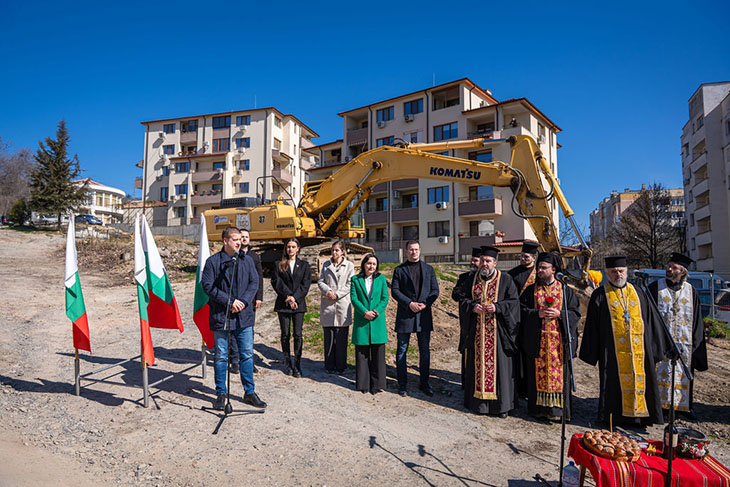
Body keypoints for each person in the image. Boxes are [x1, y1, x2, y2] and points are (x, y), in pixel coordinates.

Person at [579, 255, 667, 426]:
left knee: (643, 380)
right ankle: (614, 418)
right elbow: (592, 326)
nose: (617, 274)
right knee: (613, 384)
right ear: (607, 274)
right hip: (612, 351)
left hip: (639, 349)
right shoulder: (600, 294)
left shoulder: (638, 292)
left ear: (626, 272)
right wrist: (592, 351)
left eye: (621, 271)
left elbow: (650, 321)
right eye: (613, 272)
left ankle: (640, 417)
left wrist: (655, 347)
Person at [201, 227, 266, 410]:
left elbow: (254, 282)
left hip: (244, 315)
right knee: (221, 356)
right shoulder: (213, 262)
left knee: (246, 354)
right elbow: (207, 286)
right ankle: (221, 393)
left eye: (240, 239)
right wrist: (229, 301)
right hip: (222, 315)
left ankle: (249, 392)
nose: (239, 242)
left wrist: (243, 302)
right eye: (235, 239)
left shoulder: (247, 260)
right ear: (225, 241)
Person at [455, 245, 520, 416]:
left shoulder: (505, 279)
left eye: (488, 261)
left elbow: (514, 302)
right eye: (483, 260)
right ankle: (479, 405)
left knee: (500, 370)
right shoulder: (471, 279)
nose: (484, 264)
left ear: (495, 263)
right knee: (476, 367)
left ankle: (502, 407)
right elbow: (462, 299)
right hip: (477, 332)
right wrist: (472, 306)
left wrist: (498, 307)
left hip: (498, 333)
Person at [519, 252, 580, 421]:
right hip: (538, 343)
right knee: (536, 377)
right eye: (538, 267)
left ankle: (559, 412)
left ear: (553, 269)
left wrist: (560, 314)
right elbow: (520, 311)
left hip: (558, 344)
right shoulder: (531, 291)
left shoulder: (565, 290)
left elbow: (575, 313)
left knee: (561, 377)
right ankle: (539, 410)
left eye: (543, 268)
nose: (539, 270)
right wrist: (536, 314)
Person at [648, 252, 707, 419]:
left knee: (683, 374)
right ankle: (659, 407)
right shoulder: (655, 288)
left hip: (684, 344)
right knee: (660, 372)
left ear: (682, 272)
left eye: (674, 268)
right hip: (661, 343)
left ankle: (684, 407)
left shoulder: (691, 291)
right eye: (668, 266)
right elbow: (648, 317)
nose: (669, 269)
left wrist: (696, 343)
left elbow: (697, 320)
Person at [391, 241, 440, 397]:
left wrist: (425, 304)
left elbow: (435, 291)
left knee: (424, 351)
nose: (414, 252)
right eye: (411, 250)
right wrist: (409, 303)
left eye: (416, 249)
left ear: (420, 250)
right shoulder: (399, 270)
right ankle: (402, 384)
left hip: (423, 316)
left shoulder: (429, 269)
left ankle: (424, 383)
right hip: (406, 314)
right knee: (402, 350)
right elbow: (395, 291)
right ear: (406, 251)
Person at [271, 238, 312, 378]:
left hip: (298, 304)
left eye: (293, 247)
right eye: (288, 247)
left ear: (298, 248)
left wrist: (295, 298)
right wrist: (288, 296)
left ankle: (297, 364)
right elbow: (276, 281)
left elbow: (306, 284)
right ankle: (288, 364)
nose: (290, 249)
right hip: (283, 304)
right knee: (285, 334)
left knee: (298, 334)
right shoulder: (279, 264)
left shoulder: (304, 265)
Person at [350, 253, 389, 394]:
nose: (371, 266)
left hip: (377, 321)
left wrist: (376, 311)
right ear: (364, 264)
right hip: (362, 321)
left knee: (378, 355)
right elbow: (354, 298)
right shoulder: (355, 279)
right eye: (368, 263)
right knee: (362, 354)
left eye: (374, 264)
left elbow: (385, 298)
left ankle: (377, 385)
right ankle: (363, 385)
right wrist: (364, 312)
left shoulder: (381, 279)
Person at [508, 240, 540, 401]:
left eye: (526, 257)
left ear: (534, 258)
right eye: (521, 256)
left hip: (533, 318)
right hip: (515, 317)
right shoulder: (512, 274)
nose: (523, 259)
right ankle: (519, 387)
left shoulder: (539, 274)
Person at [229, 228, 263, 375]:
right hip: (234, 300)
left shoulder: (254, 257)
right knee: (233, 331)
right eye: (241, 237)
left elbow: (258, 278)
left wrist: (259, 297)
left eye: (246, 237)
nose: (244, 239)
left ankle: (248, 361)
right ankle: (235, 360)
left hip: (249, 300)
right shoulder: (231, 255)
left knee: (248, 331)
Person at [318, 240, 355, 374]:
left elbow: (350, 283)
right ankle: (329, 365)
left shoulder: (349, 266)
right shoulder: (326, 265)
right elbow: (321, 281)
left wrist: (337, 294)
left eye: (337, 250)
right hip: (328, 304)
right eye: (332, 250)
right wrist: (328, 291)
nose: (334, 252)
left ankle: (341, 366)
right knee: (329, 337)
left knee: (341, 338)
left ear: (343, 251)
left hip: (342, 304)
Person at [452, 248, 482, 389]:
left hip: (482, 320)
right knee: (466, 350)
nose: (473, 263)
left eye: (476, 261)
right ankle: (466, 382)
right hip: (466, 319)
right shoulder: (464, 277)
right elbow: (455, 295)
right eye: (472, 260)